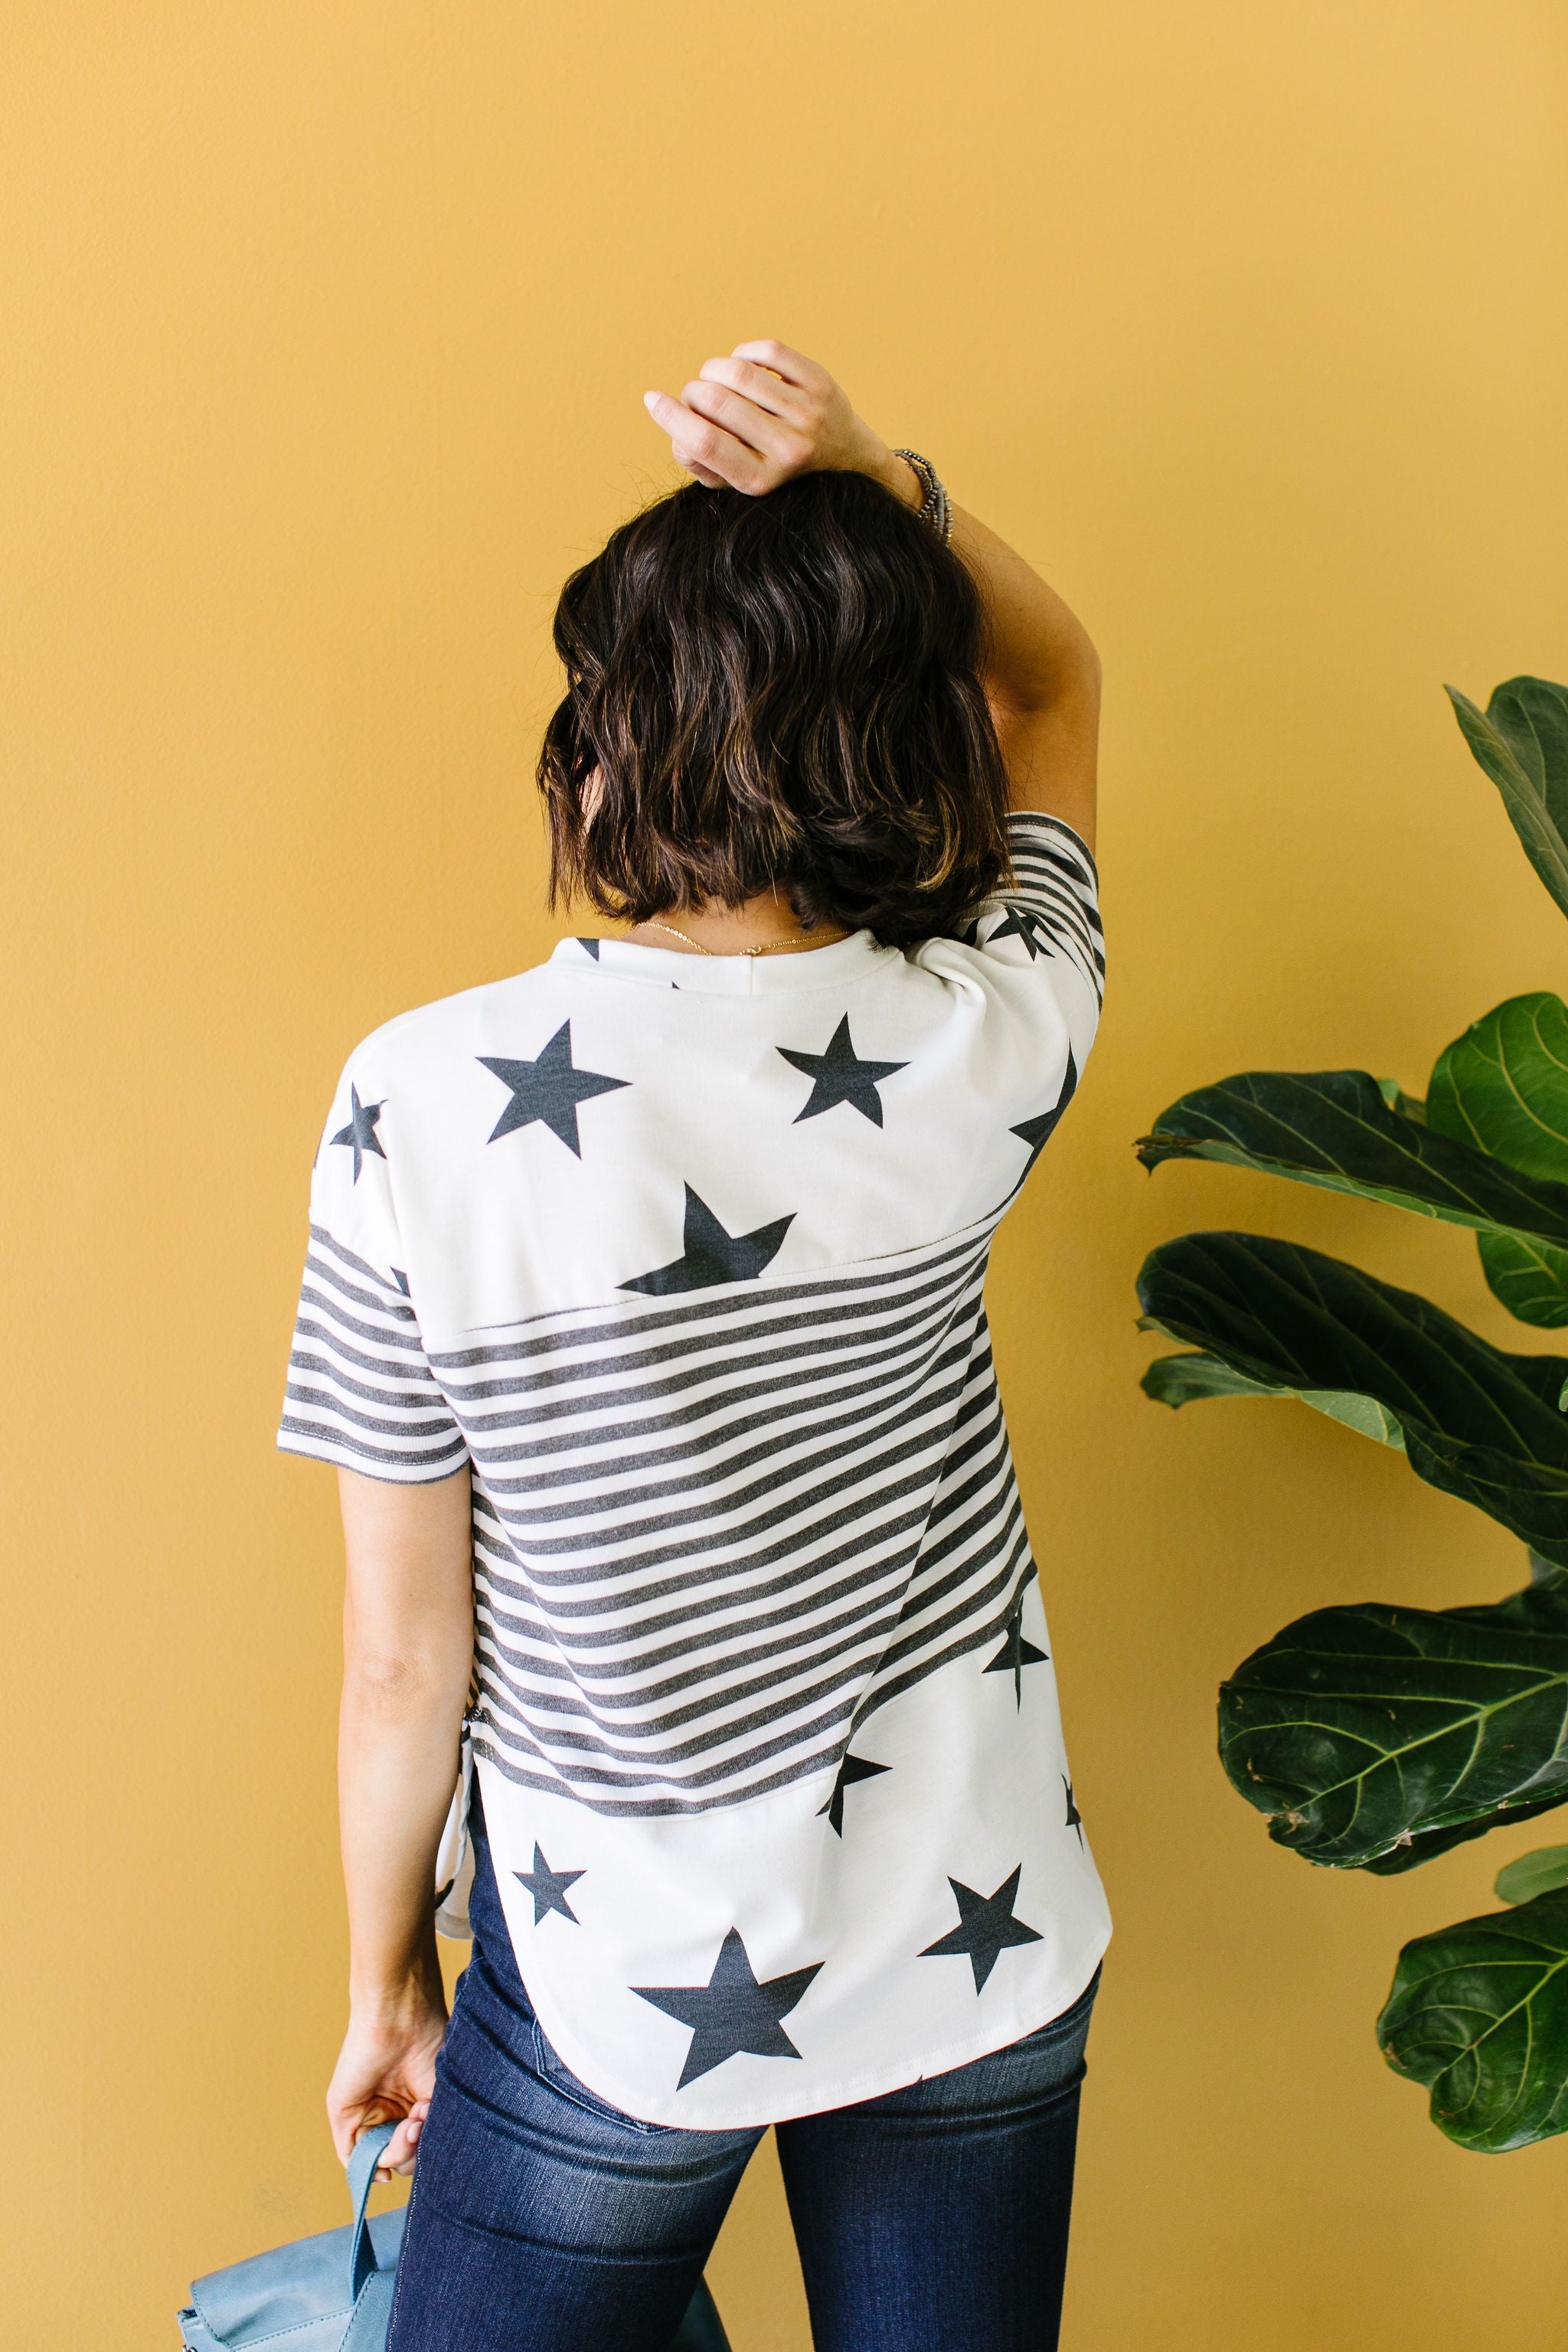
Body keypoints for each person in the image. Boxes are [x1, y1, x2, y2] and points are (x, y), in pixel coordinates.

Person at [277, 339, 1106, 2352]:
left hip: (607, 1978)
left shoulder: (423, 1100)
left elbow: (407, 1657)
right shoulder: (989, 1026)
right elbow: (1058, 676)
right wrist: (869, 480)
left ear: (603, 742)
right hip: (969, 1942)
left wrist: (386, 1982)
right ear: (901, 741)